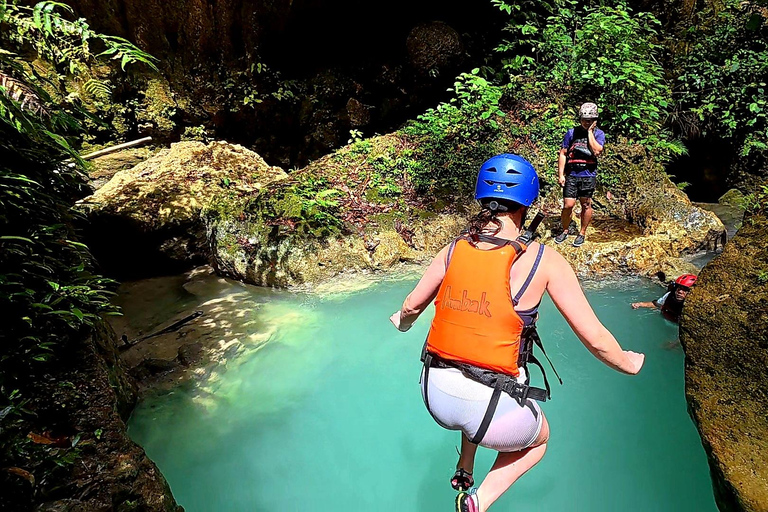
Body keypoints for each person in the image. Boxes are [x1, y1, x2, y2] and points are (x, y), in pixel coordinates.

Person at [389, 154, 644, 512]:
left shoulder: (453, 249)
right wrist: (627, 363)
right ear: (528, 202)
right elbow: (596, 338)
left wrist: (401, 321)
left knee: (472, 362)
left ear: (481, 197)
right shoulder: (545, 260)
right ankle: (479, 501)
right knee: (538, 441)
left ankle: (465, 464)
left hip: (434, 395)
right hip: (491, 409)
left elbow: (413, 306)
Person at [554, 102, 605, 247]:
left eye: (589, 120)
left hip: (588, 174)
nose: (586, 122)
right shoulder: (571, 133)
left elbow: (596, 151)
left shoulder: (599, 134)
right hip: (572, 174)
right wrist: (561, 174)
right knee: (568, 205)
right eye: (584, 120)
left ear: (595, 120)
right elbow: (563, 153)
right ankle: (564, 230)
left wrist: (590, 132)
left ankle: (582, 232)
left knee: (586, 204)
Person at [631, 274, 697, 323]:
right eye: (679, 288)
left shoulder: (695, 306)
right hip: (664, 320)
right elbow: (656, 304)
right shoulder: (670, 295)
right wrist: (640, 304)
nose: (679, 291)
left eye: (685, 290)